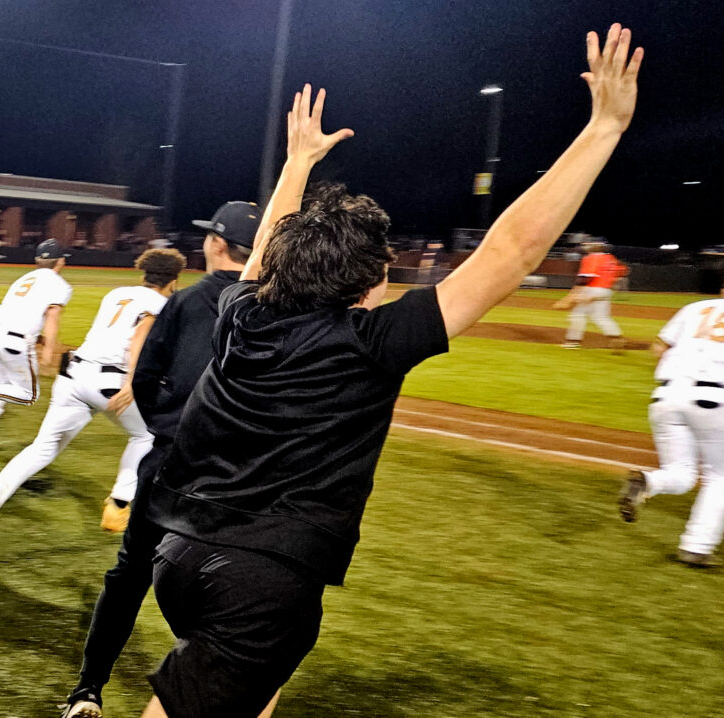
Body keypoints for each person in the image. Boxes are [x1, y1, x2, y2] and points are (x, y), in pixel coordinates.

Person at [134, 25, 642, 718]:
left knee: (248, 693)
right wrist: (605, 129)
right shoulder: (371, 341)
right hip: (260, 578)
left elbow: (262, 257)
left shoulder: (242, 313)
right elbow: (512, 252)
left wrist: (297, 164)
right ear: (370, 284)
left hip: (180, 552)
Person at [60, 201, 263, 718]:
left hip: (173, 462)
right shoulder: (274, 311)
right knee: (227, 599)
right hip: (243, 477)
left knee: (130, 577)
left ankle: (87, 693)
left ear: (216, 245)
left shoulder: (188, 302)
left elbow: (145, 384)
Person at [0, 249, 186, 556]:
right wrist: (131, 380)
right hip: (110, 382)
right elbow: (141, 332)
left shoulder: (118, 293)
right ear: (173, 278)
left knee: (42, 447)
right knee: (147, 435)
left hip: (74, 375)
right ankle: (118, 504)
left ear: (145, 273)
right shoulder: (163, 303)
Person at [619, 261, 724, 567]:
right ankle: (696, 547)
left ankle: (647, 481)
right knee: (722, 477)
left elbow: (659, 348)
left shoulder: (696, 307)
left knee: (681, 473)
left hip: (665, 395)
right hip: (712, 398)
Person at [0, 238, 73, 450]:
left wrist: (38, 337)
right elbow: (53, 317)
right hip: (16, 342)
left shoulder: (25, 278)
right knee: (29, 395)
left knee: (6, 386)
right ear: (61, 262)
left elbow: (21, 310)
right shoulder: (59, 284)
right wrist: (48, 352)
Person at [558, 238, 628, 350]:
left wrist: (571, 297)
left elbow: (584, 279)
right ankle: (616, 337)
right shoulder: (610, 258)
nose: (587, 246)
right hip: (606, 290)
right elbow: (621, 272)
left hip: (592, 289)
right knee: (601, 317)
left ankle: (572, 342)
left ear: (595, 246)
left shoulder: (591, 258)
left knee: (577, 315)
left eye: (589, 244)